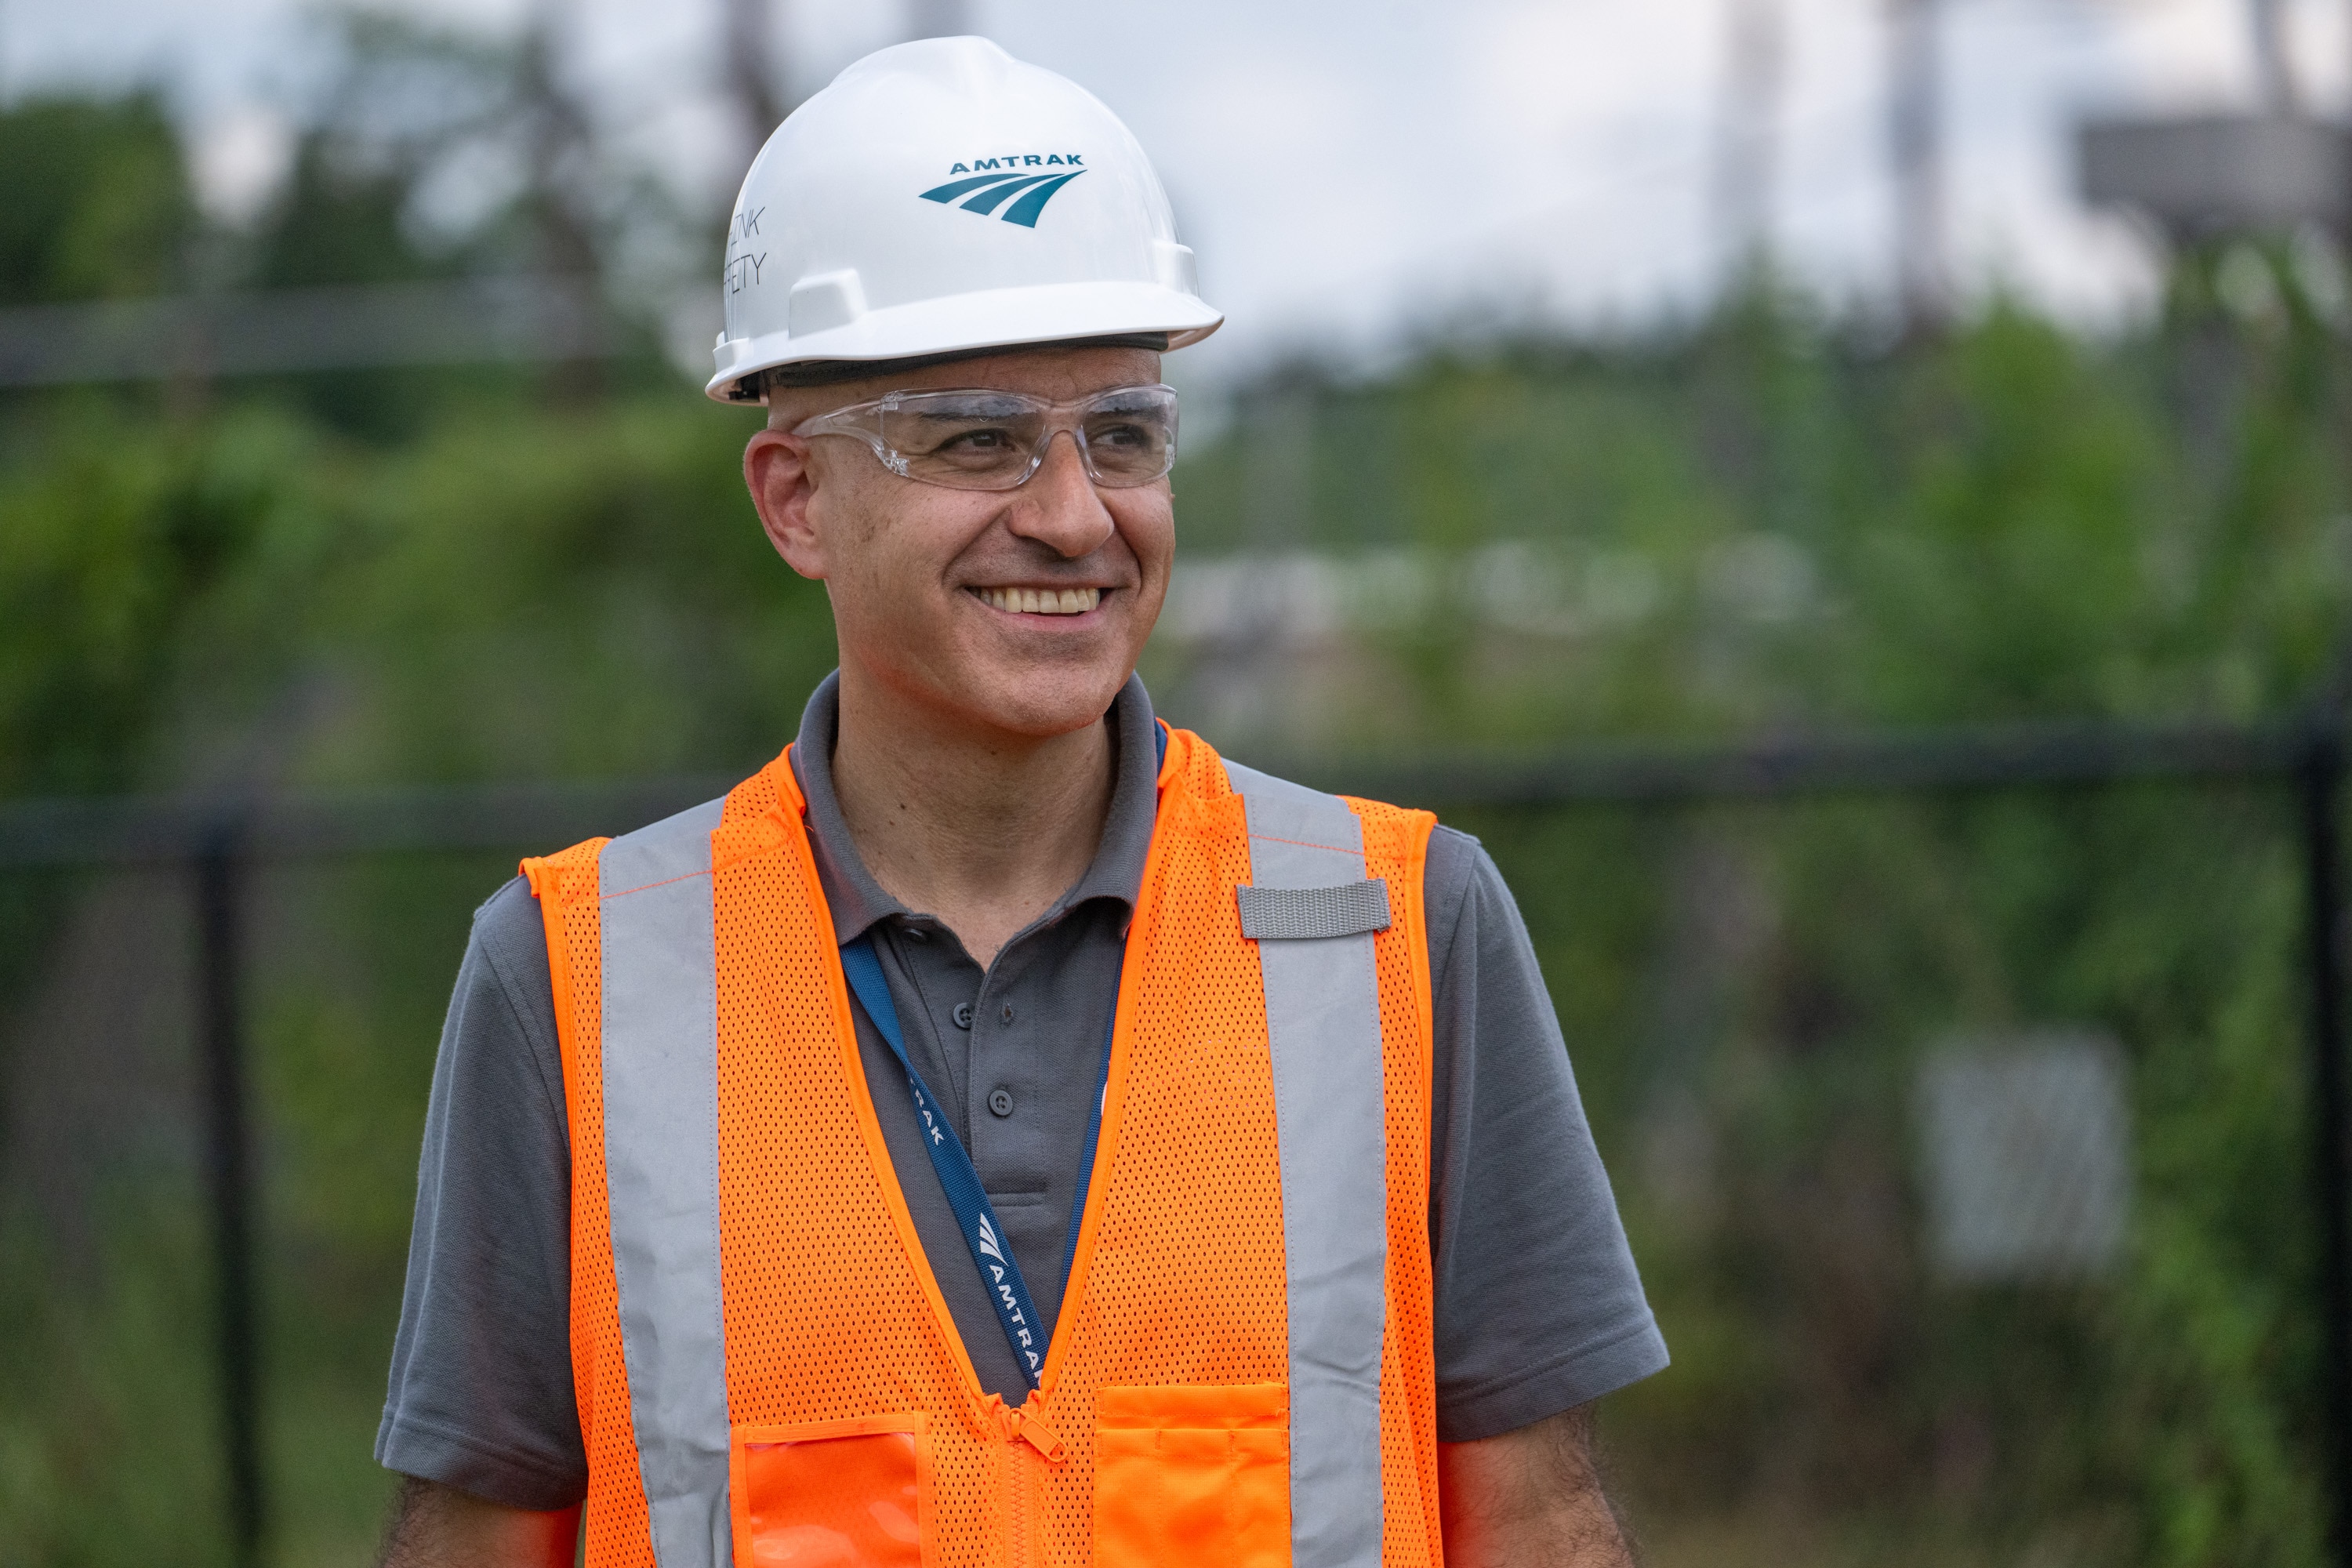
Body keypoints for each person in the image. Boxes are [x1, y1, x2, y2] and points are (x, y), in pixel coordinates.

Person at [375, 35, 1665, 1568]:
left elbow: (1539, 1525)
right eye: (977, 436)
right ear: (796, 498)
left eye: (1123, 433)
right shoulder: (574, 979)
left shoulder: (1402, 929)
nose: (1071, 515)